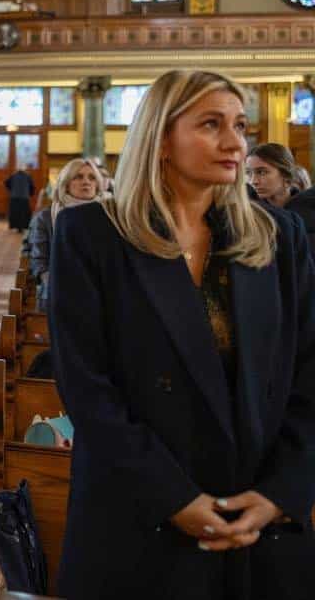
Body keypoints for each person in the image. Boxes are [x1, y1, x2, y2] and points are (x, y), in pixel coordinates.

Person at [49, 69, 315, 600]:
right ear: (162, 138)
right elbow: (86, 386)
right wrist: (173, 498)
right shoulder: (91, 235)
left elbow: (310, 370)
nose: (235, 143)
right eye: (211, 124)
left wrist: (281, 492)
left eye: (240, 126)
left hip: (256, 512)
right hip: (139, 511)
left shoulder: (279, 235)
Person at [27, 158, 103, 305]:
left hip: (100, 292)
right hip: (57, 291)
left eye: (92, 177)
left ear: (98, 184)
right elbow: (39, 261)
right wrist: (56, 285)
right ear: (66, 183)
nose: (86, 182)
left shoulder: (108, 217)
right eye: (78, 177)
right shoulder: (45, 217)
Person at [246, 143, 305, 210]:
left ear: (286, 175)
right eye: (248, 172)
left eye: (262, 172)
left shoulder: (307, 208)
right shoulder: (248, 209)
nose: (253, 181)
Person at [5, 163, 36, 232]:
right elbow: (32, 187)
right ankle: (23, 227)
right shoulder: (28, 176)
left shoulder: (13, 175)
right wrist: (30, 194)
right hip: (24, 197)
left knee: (15, 213)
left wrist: (11, 190)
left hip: (14, 197)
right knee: (24, 213)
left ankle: (16, 226)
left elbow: (6, 183)